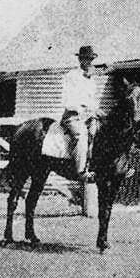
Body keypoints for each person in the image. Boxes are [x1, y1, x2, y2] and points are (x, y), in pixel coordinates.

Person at [61, 45, 100, 182]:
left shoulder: (92, 80)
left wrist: (95, 110)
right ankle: (81, 171)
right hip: (73, 116)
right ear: (80, 60)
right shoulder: (71, 76)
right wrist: (81, 109)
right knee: (81, 135)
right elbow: (67, 100)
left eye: (90, 59)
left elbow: (93, 100)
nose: (88, 62)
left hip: (89, 116)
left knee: (100, 133)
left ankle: (98, 167)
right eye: (85, 59)